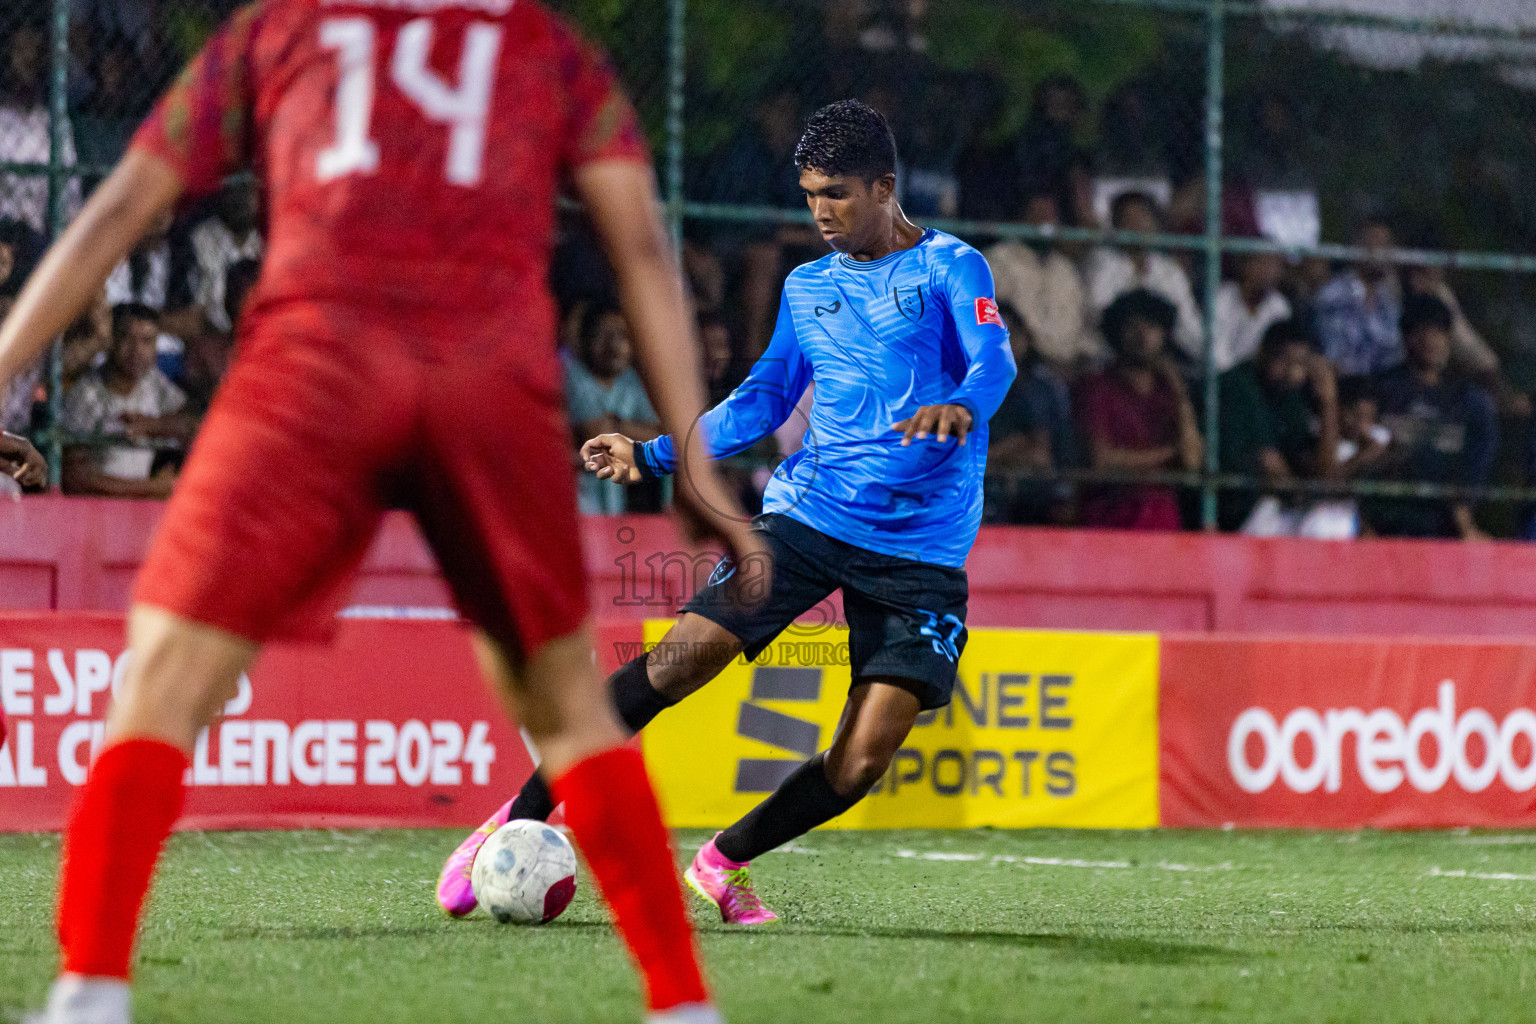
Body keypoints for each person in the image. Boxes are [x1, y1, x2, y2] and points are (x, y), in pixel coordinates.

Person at [0, 3, 762, 1023]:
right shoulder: (547, 51)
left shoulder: (280, 31)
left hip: (316, 369)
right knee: (573, 710)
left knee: (161, 684)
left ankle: (89, 993)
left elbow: (115, 213)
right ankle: (681, 1005)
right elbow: (638, 248)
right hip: (486, 370)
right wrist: (697, 469)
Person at [436, 100, 1015, 926]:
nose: (820, 211)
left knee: (861, 760)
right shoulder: (807, 285)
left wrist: (961, 403)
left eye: (838, 194)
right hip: (806, 517)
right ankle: (519, 817)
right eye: (811, 193)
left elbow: (994, 358)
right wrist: (654, 454)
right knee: (681, 659)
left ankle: (722, 861)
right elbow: (764, 398)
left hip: (920, 553)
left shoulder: (953, 269)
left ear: (886, 187)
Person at [1367, 292, 1499, 540]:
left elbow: (1478, 462)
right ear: (1406, 338)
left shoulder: (1470, 400)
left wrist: (1463, 514)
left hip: (1446, 526)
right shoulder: (1381, 391)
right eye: (1422, 332)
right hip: (1387, 524)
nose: (1431, 341)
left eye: (1438, 332)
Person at [1075, 289, 1203, 531]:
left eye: (1152, 327)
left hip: (1164, 521)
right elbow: (1101, 460)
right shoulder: (1097, 388)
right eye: (1133, 326)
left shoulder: (1169, 391)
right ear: (1117, 332)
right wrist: (1168, 455)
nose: (1143, 335)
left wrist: (1180, 393)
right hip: (1111, 518)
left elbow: (1192, 461)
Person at [1215, 318, 1339, 532]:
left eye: (1300, 364)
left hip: (1276, 506)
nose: (1292, 372)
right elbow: (1268, 463)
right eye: (1285, 361)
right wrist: (1303, 495)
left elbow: (1323, 472)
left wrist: (1329, 403)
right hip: (1230, 508)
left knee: (1331, 522)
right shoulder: (1238, 385)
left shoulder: (1291, 396)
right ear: (1263, 353)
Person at [60, 303, 190, 498]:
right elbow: (75, 477)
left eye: (147, 341)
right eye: (126, 338)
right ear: (111, 341)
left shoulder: (160, 389)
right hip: (96, 509)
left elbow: (191, 433)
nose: (136, 350)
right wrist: (153, 488)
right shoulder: (86, 395)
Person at [984, 191, 1101, 376]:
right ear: (1021, 219)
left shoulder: (1066, 269)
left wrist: (1082, 358)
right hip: (1021, 369)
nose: (1046, 222)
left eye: (1051, 216)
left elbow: (1084, 328)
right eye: (1038, 215)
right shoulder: (997, 261)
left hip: (1071, 369)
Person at [1084, 191, 1205, 365]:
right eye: (1127, 218)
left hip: (1163, 359)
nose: (1135, 225)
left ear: (1155, 225)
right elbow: (1097, 317)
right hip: (1112, 361)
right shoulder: (1102, 263)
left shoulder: (1168, 270)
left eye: (1142, 216)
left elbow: (1188, 325)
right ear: (1115, 225)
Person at [564, 301, 661, 515]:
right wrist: (632, 434)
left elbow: (660, 437)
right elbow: (594, 433)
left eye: (622, 336)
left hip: (613, 509)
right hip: (575, 506)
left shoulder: (630, 382)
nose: (614, 345)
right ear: (585, 340)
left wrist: (616, 424)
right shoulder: (572, 376)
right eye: (603, 335)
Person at [1313, 218, 1403, 376]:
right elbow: (1332, 355)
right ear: (1357, 248)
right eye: (1376, 244)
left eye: (1386, 244)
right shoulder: (1333, 295)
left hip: (1383, 389)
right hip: (1347, 388)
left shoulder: (1389, 300)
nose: (1382, 252)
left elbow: (1394, 353)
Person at [1211, 250, 1291, 373]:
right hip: (1225, 378)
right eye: (1264, 263)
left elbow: (1280, 356)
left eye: (1276, 266)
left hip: (1262, 378)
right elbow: (1217, 356)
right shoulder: (1223, 297)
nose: (1270, 272)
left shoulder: (1279, 305)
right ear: (1245, 265)